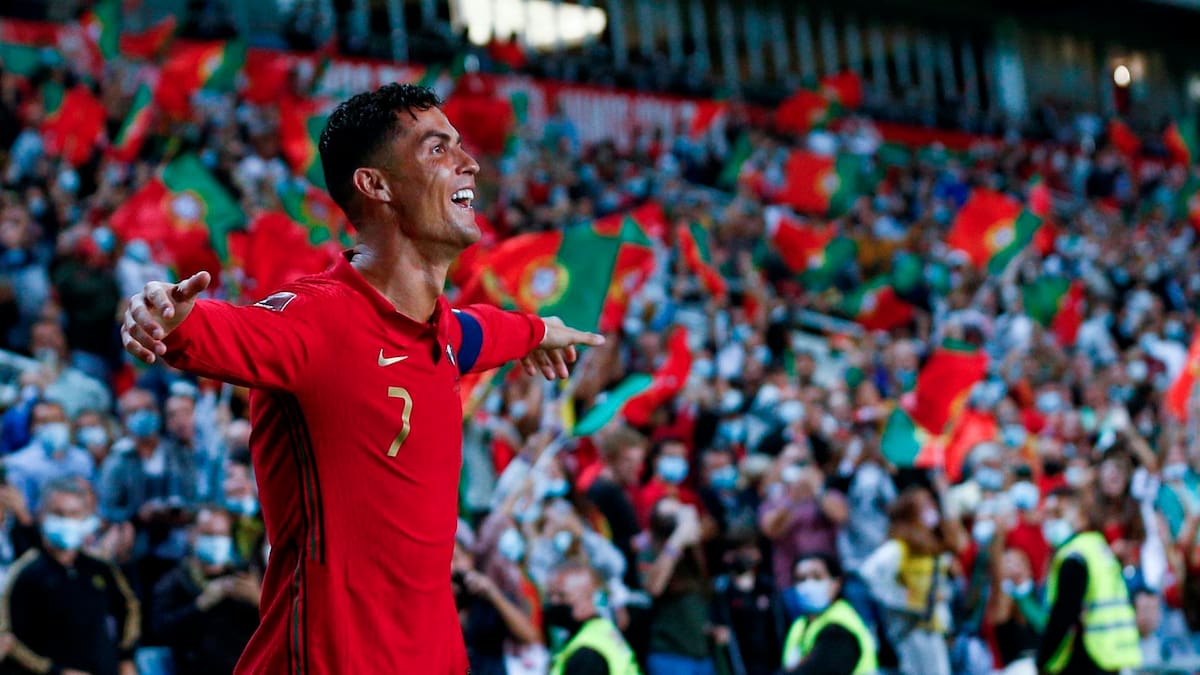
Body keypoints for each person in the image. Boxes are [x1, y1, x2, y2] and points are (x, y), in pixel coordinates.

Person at [121, 83, 603, 673]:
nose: (469, 162)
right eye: (437, 148)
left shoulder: (443, 333)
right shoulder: (317, 320)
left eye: (459, 144)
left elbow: (485, 331)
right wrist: (164, 317)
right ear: (376, 185)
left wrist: (539, 330)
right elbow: (219, 328)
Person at [0, 478, 139, 675]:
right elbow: (8, 637)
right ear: (42, 515)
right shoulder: (25, 573)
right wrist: (55, 671)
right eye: (59, 513)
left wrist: (126, 657)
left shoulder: (100, 567)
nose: (67, 521)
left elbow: (129, 608)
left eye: (74, 514)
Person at [1036, 486, 1142, 675]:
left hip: (1085, 657)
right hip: (1108, 655)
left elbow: (1064, 614)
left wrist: (1042, 660)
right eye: (1048, 515)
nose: (1050, 521)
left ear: (1082, 515)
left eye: (1058, 513)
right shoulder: (1097, 547)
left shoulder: (1075, 556)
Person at [151, 506, 260, 675]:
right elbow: (161, 630)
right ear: (192, 535)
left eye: (222, 535)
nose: (217, 542)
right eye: (209, 534)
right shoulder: (174, 581)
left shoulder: (242, 578)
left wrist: (258, 599)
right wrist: (200, 605)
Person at [781, 552, 878, 675]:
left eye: (817, 578)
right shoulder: (799, 625)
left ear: (836, 583)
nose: (808, 585)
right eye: (801, 579)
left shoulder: (840, 626)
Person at [543, 561, 641, 675]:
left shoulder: (587, 652)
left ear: (589, 597)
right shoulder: (600, 629)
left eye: (562, 595)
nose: (554, 602)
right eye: (549, 595)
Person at [4, 399, 94, 509]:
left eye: (58, 420)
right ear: (32, 427)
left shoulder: (83, 458)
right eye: (44, 421)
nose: (53, 426)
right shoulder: (18, 464)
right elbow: (21, 509)